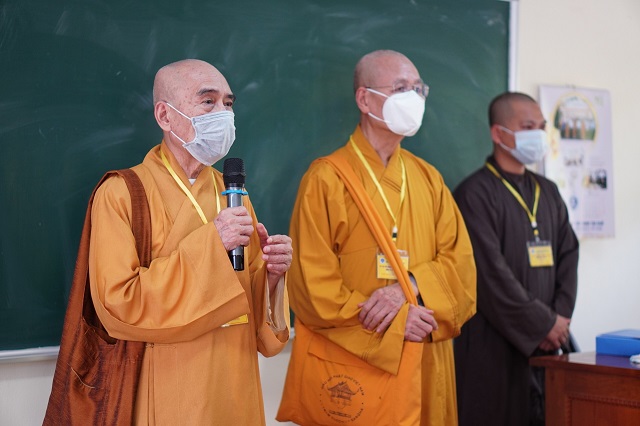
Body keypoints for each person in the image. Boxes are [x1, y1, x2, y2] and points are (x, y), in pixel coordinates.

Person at [88, 59, 292, 425]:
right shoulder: (121, 194)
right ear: (165, 116)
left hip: (236, 382)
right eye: (208, 101)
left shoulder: (234, 195)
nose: (223, 114)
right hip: (173, 385)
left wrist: (273, 276)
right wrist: (212, 244)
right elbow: (118, 303)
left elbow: (255, 318)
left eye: (228, 103)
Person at [279, 50, 477, 425]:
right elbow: (311, 287)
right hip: (354, 366)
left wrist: (410, 286)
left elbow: (462, 270)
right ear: (364, 99)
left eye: (418, 88)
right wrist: (397, 323)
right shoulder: (326, 179)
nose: (413, 97)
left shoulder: (429, 179)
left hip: (422, 358)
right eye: (400, 88)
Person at [453, 92, 579, 426]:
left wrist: (560, 318)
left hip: (548, 344)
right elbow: (489, 275)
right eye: (527, 126)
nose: (538, 134)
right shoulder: (473, 194)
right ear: (499, 133)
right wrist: (543, 324)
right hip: (492, 346)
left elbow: (569, 254)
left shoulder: (547, 191)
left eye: (542, 126)